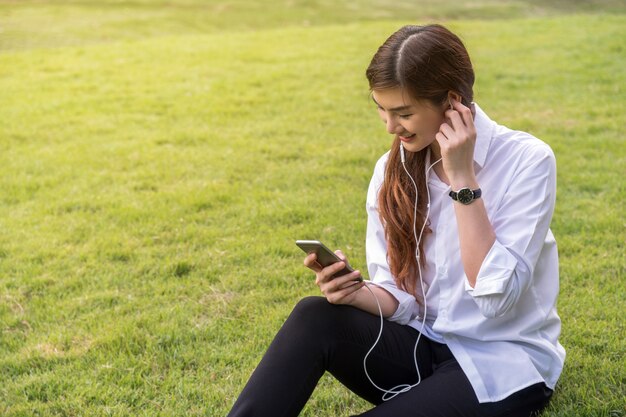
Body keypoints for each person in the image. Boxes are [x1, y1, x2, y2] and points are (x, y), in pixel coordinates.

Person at [227, 23, 565, 417]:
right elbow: (402, 296)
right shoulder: (392, 171)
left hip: (500, 362)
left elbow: (495, 298)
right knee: (313, 315)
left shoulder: (527, 161)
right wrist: (356, 293)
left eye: (403, 113)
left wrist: (462, 179)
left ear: (452, 102)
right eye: (381, 110)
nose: (389, 126)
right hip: (421, 348)